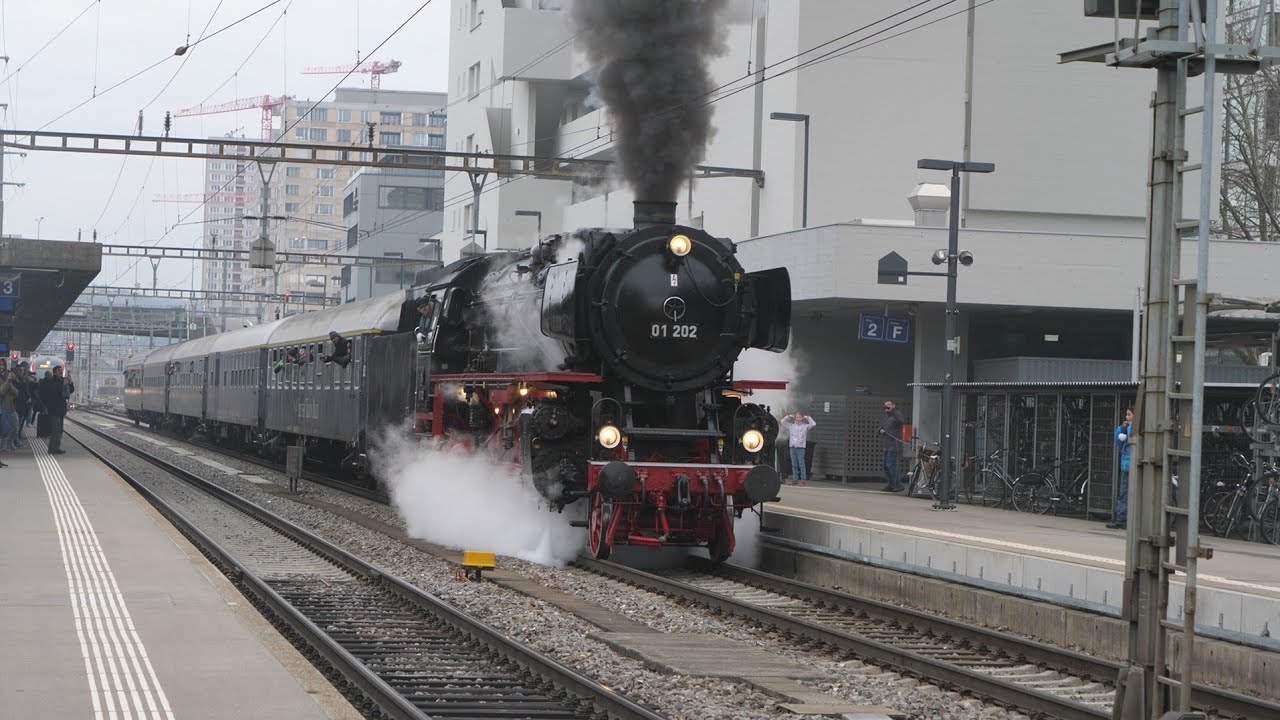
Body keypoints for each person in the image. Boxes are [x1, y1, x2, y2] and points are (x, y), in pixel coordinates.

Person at [1108, 408, 1135, 529]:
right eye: (1126, 414)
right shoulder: (1132, 428)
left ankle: (1121, 519)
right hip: (1134, 466)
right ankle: (1127, 518)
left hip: (1127, 467)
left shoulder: (1125, 429)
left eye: (1129, 414)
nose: (1127, 417)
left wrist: (1122, 428)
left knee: (1124, 493)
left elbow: (1117, 442)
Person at [38, 365, 74, 455]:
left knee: (59, 430)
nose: (61, 372)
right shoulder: (51, 381)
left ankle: (54, 448)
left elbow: (71, 390)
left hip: (61, 409)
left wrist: (70, 382)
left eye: (62, 370)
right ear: (54, 372)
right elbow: (55, 391)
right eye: (59, 370)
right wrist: (64, 384)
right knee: (56, 430)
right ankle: (53, 448)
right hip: (53, 409)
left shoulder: (63, 380)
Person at [781, 411, 816, 486]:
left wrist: (807, 417)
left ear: (802, 418)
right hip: (793, 447)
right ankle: (795, 480)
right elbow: (782, 422)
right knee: (794, 464)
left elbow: (813, 424)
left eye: (800, 417)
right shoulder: (791, 426)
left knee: (801, 464)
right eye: (797, 417)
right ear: (795, 418)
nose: (798, 419)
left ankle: (803, 480)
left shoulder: (805, 426)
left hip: (800, 448)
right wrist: (788, 416)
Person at [880, 400, 907, 492]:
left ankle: (898, 484)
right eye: (885, 406)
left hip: (894, 444)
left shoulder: (897, 414)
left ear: (893, 405)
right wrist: (880, 431)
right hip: (887, 445)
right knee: (885, 465)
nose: (887, 407)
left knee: (890, 464)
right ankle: (891, 484)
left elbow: (901, 421)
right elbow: (881, 427)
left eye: (889, 405)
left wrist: (891, 411)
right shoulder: (886, 418)